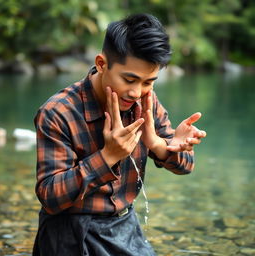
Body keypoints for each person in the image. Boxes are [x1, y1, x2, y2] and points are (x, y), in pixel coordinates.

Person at [32, 13, 206, 256]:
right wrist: (107, 157)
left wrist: (158, 144)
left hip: (124, 224)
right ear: (102, 64)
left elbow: (186, 166)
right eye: (129, 79)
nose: (136, 92)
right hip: (70, 232)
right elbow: (49, 196)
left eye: (148, 82)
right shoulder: (58, 112)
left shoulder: (147, 103)